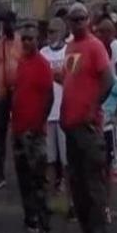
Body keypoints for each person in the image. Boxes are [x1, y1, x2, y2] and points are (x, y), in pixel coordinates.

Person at [60, 2, 114, 233]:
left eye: (81, 19)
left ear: (88, 20)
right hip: (71, 124)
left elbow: (108, 79)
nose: (78, 23)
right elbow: (69, 80)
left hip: (88, 126)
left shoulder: (95, 46)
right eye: (74, 19)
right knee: (78, 183)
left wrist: (94, 108)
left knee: (93, 184)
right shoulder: (71, 47)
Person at [10, 22, 55, 233]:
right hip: (18, 130)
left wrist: (38, 125)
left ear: (38, 40)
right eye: (24, 38)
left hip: (34, 133)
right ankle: (31, 226)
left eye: (31, 38)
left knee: (39, 182)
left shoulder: (43, 65)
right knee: (24, 181)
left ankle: (44, 230)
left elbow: (49, 97)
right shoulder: (22, 64)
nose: (27, 42)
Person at [0, 12, 22, 191]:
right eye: (5, 23)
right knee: (0, 135)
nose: (7, 26)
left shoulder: (20, 42)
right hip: (2, 93)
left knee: (19, 133)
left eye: (10, 23)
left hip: (18, 92)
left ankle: (21, 171)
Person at [96, 19, 117, 183]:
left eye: (102, 32)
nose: (99, 34)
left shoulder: (115, 46)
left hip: (116, 90)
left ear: (109, 32)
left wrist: (116, 87)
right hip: (107, 89)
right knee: (109, 131)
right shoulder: (102, 46)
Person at [40, 19, 70, 199]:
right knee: (50, 158)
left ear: (63, 32)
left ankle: (68, 196)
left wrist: (60, 78)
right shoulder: (42, 53)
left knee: (66, 159)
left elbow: (73, 80)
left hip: (64, 113)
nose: (51, 35)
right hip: (47, 113)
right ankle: (51, 195)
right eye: (49, 32)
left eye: (54, 31)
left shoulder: (70, 51)